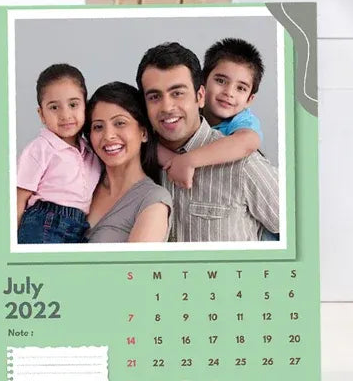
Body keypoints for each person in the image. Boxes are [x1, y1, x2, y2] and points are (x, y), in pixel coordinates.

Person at [136, 42, 279, 242]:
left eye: (178, 93)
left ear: (199, 95)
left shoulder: (244, 163)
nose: (167, 107)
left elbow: (302, 229)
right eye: (154, 96)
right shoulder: (135, 161)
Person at [158, 37, 265, 190]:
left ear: (249, 99)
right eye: (221, 81)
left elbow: (247, 142)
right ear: (202, 81)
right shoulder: (189, 110)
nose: (229, 93)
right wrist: (173, 160)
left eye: (240, 88)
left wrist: (188, 160)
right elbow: (149, 142)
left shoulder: (242, 119)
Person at [15, 64, 101, 243]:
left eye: (73, 104)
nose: (65, 114)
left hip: (80, 227)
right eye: (54, 107)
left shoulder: (91, 151)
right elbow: (19, 199)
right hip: (45, 223)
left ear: (85, 106)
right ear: (41, 114)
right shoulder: (40, 148)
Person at [83, 82, 172, 243]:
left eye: (120, 123)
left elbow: (135, 268)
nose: (108, 135)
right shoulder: (82, 184)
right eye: (98, 127)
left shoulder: (152, 200)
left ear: (143, 132)